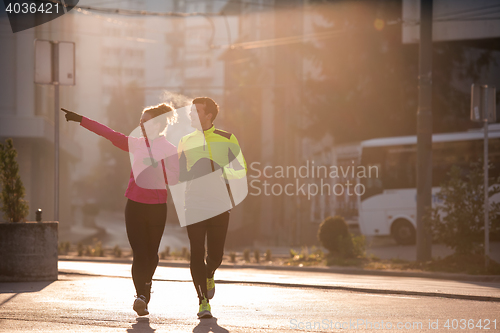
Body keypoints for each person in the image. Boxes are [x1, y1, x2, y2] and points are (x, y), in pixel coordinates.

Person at [61, 104, 179, 317]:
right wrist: (81, 119)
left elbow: (174, 178)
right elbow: (109, 133)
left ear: (158, 124)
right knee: (140, 253)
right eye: (140, 121)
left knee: (151, 255)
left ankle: (146, 285)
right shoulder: (135, 144)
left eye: (146, 121)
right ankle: (141, 296)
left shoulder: (169, 149)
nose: (141, 125)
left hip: (157, 207)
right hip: (134, 204)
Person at [177, 97, 247, 319]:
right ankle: (203, 302)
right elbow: (179, 175)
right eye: (190, 111)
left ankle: (210, 272)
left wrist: (220, 170)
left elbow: (241, 170)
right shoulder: (185, 141)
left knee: (216, 255)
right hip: (194, 204)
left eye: (196, 111)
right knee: (196, 252)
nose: (191, 114)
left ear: (209, 115)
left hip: (218, 205)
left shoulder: (227, 138)